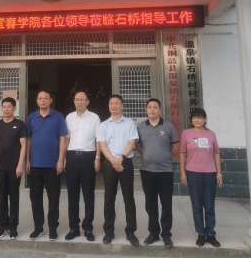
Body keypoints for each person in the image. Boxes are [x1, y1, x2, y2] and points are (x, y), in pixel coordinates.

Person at [96, 94, 139, 246]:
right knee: (109, 198)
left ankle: (131, 232)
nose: (113, 105)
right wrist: (114, 161)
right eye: (111, 103)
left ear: (122, 106)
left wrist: (121, 158)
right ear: (109, 106)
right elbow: (102, 145)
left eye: (116, 103)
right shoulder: (103, 125)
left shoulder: (130, 123)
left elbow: (132, 143)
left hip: (125, 161)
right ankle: (109, 232)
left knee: (129, 198)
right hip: (110, 163)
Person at [136, 98, 179, 247]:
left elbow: (175, 146)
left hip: (165, 171)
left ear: (160, 110)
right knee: (150, 204)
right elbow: (137, 146)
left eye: (155, 107)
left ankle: (166, 234)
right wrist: (147, 155)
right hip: (147, 171)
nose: (152, 109)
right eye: (150, 107)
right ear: (146, 110)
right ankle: (153, 233)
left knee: (166, 203)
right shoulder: (140, 127)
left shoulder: (168, 126)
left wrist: (165, 156)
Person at [26, 90, 67, 241]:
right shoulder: (31, 117)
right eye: (40, 98)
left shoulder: (58, 117)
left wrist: (61, 160)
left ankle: (53, 228)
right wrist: (27, 160)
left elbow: (62, 139)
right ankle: (38, 227)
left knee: (54, 198)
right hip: (35, 164)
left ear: (51, 100)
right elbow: (28, 140)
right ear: (37, 101)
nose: (42, 100)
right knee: (35, 198)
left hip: (52, 165)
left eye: (45, 98)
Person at [180, 108, 223, 248]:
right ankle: (201, 234)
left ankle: (211, 234)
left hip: (210, 173)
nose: (196, 120)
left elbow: (216, 153)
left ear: (205, 119)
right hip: (193, 173)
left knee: (209, 205)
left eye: (199, 117)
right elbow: (182, 153)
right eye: (194, 117)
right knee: (197, 206)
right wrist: (182, 172)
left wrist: (219, 173)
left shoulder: (211, 134)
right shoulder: (186, 133)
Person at [64, 91, 101, 242]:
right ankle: (74, 228)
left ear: (87, 102)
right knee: (72, 194)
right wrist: (64, 157)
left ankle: (88, 228)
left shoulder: (94, 118)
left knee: (88, 194)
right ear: (74, 102)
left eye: (82, 100)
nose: (79, 102)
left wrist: (97, 158)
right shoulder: (69, 118)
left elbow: (99, 139)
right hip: (72, 156)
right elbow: (66, 139)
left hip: (88, 157)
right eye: (76, 100)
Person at [0, 97, 27, 239]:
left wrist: (20, 164)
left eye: (9, 106)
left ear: (14, 108)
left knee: (14, 197)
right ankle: (2, 226)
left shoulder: (20, 125)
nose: (6, 109)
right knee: (2, 197)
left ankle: (13, 227)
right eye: (4, 106)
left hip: (14, 167)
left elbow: (24, 145)